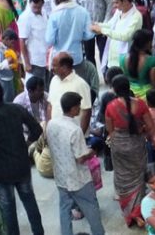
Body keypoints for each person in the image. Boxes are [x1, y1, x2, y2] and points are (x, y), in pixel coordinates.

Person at [0, 80, 44, 235]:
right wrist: (26, 143)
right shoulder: (16, 109)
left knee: (8, 210)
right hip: (21, 164)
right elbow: (37, 129)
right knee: (30, 202)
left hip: (0, 171)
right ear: (2, 93)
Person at [46, 92, 106, 235]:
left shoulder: (52, 123)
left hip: (61, 176)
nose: (80, 109)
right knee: (91, 208)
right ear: (73, 108)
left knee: (64, 210)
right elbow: (80, 158)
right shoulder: (74, 129)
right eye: (78, 106)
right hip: (78, 178)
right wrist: (91, 152)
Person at [106, 75, 155, 228]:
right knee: (139, 178)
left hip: (119, 147)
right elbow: (151, 127)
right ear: (129, 87)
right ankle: (139, 213)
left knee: (123, 180)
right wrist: (142, 133)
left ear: (114, 89)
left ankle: (130, 214)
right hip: (136, 145)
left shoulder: (111, 106)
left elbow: (110, 131)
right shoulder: (140, 104)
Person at [45, 0, 95, 70]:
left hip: (60, 59)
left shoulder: (54, 15)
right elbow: (89, 35)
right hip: (77, 57)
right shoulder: (82, 11)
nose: (53, 1)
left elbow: (50, 40)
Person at [91, 0, 143, 69]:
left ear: (125, 1)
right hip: (112, 57)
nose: (114, 6)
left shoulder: (136, 17)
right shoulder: (119, 12)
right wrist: (97, 25)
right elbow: (110, 25)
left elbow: (125, 36)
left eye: (116, 3)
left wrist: (102, 30)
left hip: (125, 60)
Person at [72, 0, 112, 68]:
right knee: (89, 55)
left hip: (101, 26)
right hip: (87, 29)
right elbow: (76, 11)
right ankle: (94, 77)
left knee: (104, 52)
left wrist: (106, 22)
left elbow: (109, 4)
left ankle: (106, 74)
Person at [48, 52, 93, 134]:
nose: (52, 68)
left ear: (64, 68)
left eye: (54, 65)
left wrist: (80, 135)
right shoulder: (54, 80)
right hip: (56, 133)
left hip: (73, 135)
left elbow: (87, 112)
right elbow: (50, 105)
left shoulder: (80, 84)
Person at [17, 0, 49, 83]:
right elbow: (22, 41)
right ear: (30, 3)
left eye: (39, 7)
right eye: (34, 7)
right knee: (37, 87)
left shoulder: (44, 12)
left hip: (45, 57)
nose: (37, 9)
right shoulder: (25, 17)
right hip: (34, 60)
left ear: (43, 3)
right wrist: (27, 63)